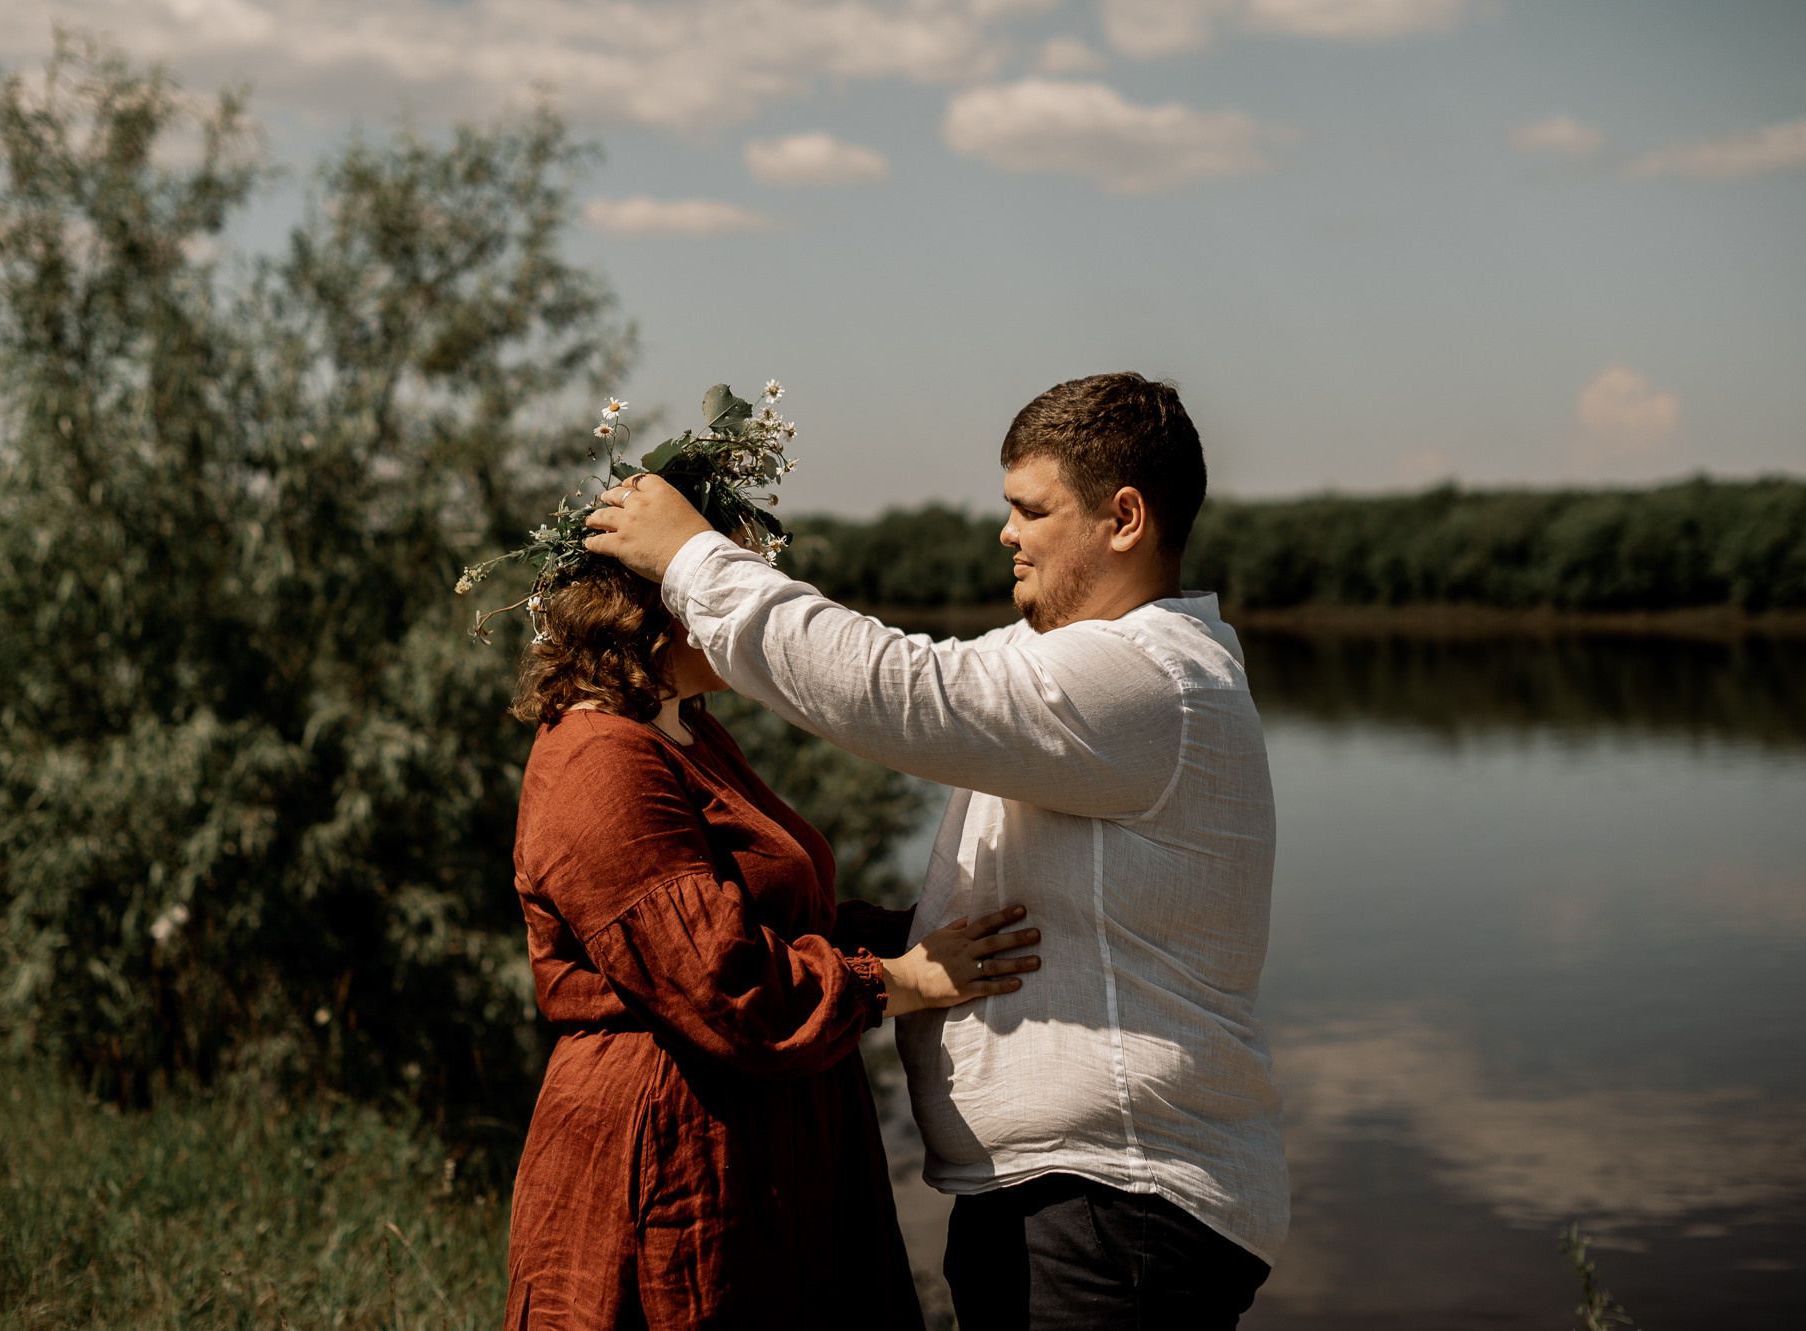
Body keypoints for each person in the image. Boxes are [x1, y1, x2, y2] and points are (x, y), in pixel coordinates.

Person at [583, 372, 1285, 1328]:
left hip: (1116, 1204)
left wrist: (692, 560)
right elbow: (888, 676)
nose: (1006, 532)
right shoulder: (1094, 664)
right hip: (1075, 1201)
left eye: (1030, 509)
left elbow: (900, 690)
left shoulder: (1149, 677)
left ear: (1123, 518)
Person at [504, 555, 1043, 1330]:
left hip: (758, 1136)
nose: (739, 619)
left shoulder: (683, 727)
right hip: (673, 1146)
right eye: (714, 596)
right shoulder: (597, 759)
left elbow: (784, 917)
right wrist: (897, 981)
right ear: (652, 615)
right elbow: (723, 982)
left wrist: (931, 929)